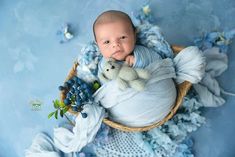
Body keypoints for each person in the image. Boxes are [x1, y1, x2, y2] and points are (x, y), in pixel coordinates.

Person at [93, 10, 162, 69]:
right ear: (98, 45)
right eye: (107, 42)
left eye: (122, 37)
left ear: (134, 36)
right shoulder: (103, 64)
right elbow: (105, 81)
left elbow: (158, 60)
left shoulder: (141, 52)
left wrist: (138, 60)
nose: (115, 44)